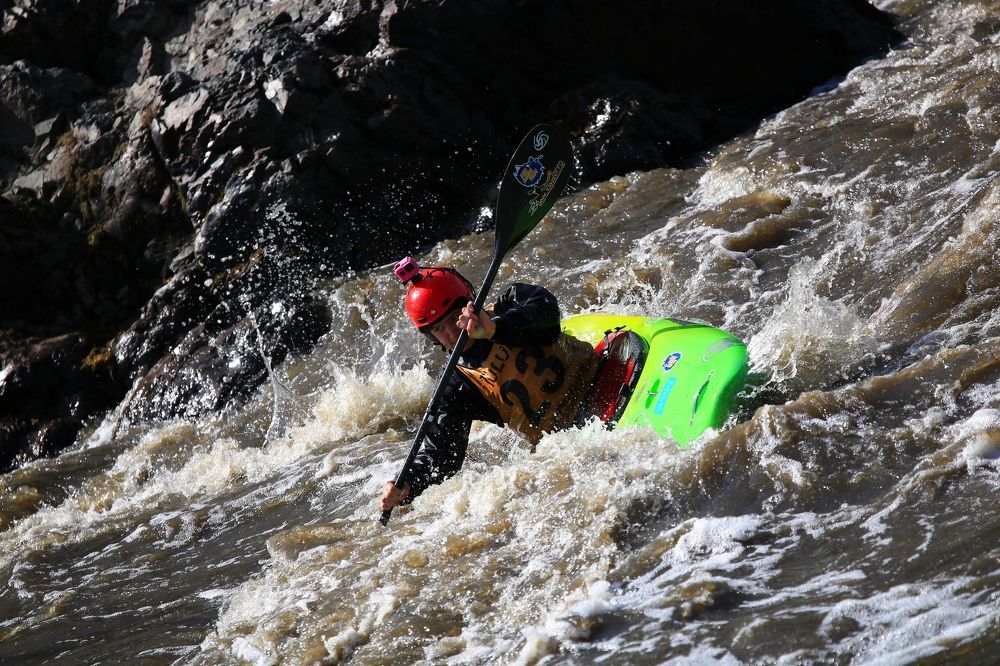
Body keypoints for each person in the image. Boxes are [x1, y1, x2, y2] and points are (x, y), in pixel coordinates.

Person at [380, 257, 602, 512]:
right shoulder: (456, 382)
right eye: (439, 328)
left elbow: (548, 314)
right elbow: (441, 454)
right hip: (572, 434)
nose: (452, 334)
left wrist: (497, 329)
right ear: (431, 336)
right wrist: (407, 483)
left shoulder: (513, 303)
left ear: (469, 304)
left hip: (599, 376)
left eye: (454, 317)